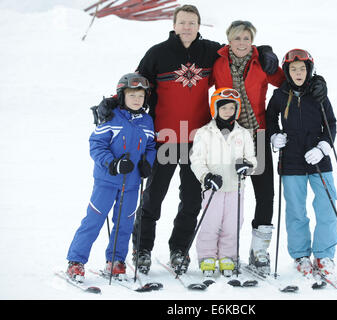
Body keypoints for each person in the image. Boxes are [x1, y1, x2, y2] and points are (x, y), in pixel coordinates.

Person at [96, 4, 281, 274]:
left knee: (192, 200)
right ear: (174, 24)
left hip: (197, 140)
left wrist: (263, 50)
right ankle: (142, 248)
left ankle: (179, 250)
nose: (187, 27)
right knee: (153, 198)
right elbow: (136, 85)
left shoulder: (209, 51)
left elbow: (238, 48)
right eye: (182, 22)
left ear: (198, 25)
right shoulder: (157, 53)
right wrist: (113, 102)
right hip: (166, 137)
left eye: (192, 22)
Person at [212, 21, 329, 275]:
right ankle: (225, 253)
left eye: (247, 38)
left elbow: (291, 81)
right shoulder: (218, 62)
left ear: (252, 40)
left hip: (258, 134)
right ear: (228, 40)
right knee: (228, 194)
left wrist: (318, 81)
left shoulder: (262, 62)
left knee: (265, 194)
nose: (242, 42)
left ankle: (259, 252)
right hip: (228, 137)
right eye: (237, 38)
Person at [66, 73, 156, 282]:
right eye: (132, 95)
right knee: (94, 220)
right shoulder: (111, 117)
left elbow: (151, 146)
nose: (136, 99)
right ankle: (76, 261)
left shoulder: (147, 121)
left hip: (133, 183)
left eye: (140, 96)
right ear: (122, 96)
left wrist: (146, 163)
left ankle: (116, 261)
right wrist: (112, 163)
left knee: (124, 223)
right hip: (107, 181)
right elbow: (96, 145)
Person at [266, 49, 337, 280]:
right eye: (294, 69)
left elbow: (331, 124)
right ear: (287, 72)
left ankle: (324, 254)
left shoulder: (318, 94)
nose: (298, 73)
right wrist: (274, 136)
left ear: (309, 71)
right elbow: (269, 120)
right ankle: (300, 256)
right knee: (296, 210)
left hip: (318, 158)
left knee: (327, 206)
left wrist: (323, 148)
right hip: (292, 160)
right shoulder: (279, 95)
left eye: (302, 69)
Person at [190, 88, 257, 277]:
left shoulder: (243, 134)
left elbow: (251, 158)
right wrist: (207, 176)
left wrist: (247, 166)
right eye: (224, 108)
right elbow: (197, 160)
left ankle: (229, 256)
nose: (228, 111)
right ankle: (207, 257)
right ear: (214, 108)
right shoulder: (204, 133)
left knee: (233, 224)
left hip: (236, 188)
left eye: (232, 108)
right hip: (213, 189)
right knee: (211, 224)